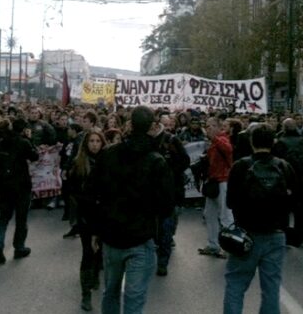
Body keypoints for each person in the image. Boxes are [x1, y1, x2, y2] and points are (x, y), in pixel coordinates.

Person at [87, 105, 174, 314]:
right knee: (134, 299)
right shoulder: (156, 161)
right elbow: (167, 205)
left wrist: (96, 229)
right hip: (140, 238)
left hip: (112, 236)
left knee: (111, 292)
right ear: (152, 126)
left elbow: (91, 193)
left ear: (130, 124)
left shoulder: (108, 155)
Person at [225, 123, 296, 314]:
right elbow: (294, 200)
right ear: (273, 142)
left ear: (251, 142)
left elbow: (230, 201)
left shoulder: (241, 166)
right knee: (271, 287)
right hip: (276, 233)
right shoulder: (283, 166)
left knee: (236, 283)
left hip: (246, 234)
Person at [0, 118, 39, 264]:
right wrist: (30, 140)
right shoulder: (23, 142)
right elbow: (34, 156)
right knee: (21, 218)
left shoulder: (2, 141)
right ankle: (19, 247)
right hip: (21, 185)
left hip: (5, 185)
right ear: (23, 129)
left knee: (3, 217)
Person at [70, 129, 107, 311]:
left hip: (104, 215)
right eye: (91, 141)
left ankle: (95, 275)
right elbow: (74, 191)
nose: (94, 144)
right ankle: (86, 294)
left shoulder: (107, 162)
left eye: (97, 141)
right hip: (86, 215)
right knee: (87, 252)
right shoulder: (79, 163)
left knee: (100, 251)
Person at [151, 115, 190, 276]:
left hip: (170, 191)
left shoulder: (171, 140)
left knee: (167, 227)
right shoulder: (145, 140)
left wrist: (168, 173)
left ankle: (162, 261)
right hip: (151, 192)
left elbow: (185, 161)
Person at [198, 116, 234, 259]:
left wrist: (215, 139)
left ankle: (229, 247)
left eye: (212, 125)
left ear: (220, 128)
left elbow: (228, 149)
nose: (209, 128)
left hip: (223, 181)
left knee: (226, 215)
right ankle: (213, 245)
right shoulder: (214, 141)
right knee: (210, 214)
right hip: (214, 181)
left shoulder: (222, 139)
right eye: (207, 125)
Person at [273, 118, 303, 247]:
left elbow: (276, 162)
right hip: (300, 180)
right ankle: (300, 236)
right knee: (299, 211)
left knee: (284, 210)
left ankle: (285, 235)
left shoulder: (280, 143)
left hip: (285, 180)